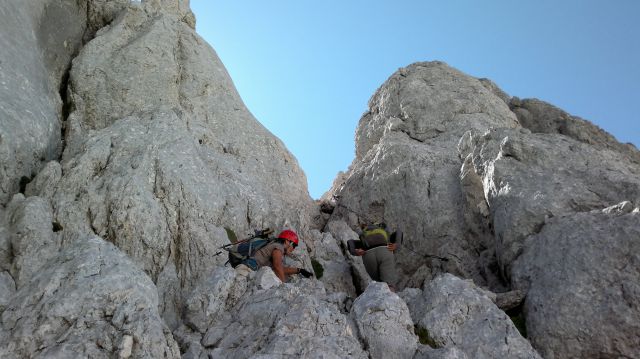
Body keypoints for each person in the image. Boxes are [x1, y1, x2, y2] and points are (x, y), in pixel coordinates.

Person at [348, 223, 401, 291]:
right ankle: (391, 300)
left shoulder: (364, 237)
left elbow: (350, 242)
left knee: (379, 283)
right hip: (385, 251)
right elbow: (399, 232)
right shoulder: (384, 233)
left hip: (368, 255)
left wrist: (354, 252)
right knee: (389, 284)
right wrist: (397, 245)